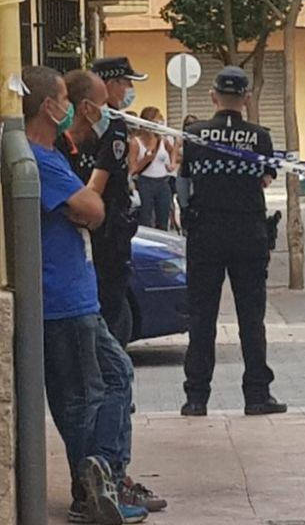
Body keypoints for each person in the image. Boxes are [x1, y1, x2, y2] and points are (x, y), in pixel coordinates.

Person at [23, 66, 149, 525]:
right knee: (81, 399)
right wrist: (92, 193)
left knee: (115, 375)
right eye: (65, 98)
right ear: (50, 106)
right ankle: (90, 489)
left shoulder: (52, 152)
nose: (73, 109)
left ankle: (107, 475)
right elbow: (91, 208)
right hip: (61, 301)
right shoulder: (35, 158)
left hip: (80, 297)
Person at [61, 69, 167, 515]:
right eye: (105, 101)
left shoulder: (84, 144)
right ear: (87, 107)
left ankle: (104, 481)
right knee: (103, 382)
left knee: (107, 379)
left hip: (97, 277)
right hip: (87, 283)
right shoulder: (66, 150)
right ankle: (99, 485)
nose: (112, 108)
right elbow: (90, 205)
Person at [180, 66, 287, 416]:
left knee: (201, 317)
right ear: (247, 98)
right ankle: (257, 394)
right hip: (248, 234)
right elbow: (266, 180)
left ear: (212, 96)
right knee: (251, 317)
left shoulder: (194, 134)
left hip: (205, 233)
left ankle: (196, 398)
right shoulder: (260, 138)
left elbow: (184, 183)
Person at [84, 56, 146, 348]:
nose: (129, 89)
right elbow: (97, 184)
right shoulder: (114, 126)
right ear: (110, 84)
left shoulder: (85, 122)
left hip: (97, 228)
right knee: (110, 306)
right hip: (108, 230)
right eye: (125, 83)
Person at [128, 106, 176, 230]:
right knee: (146, 218)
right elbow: (132, 169)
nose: (159, 123)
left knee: (163, 218)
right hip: (145, 183)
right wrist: (145, 159)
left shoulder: (162, 139)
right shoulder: (136, 142)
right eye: (156, 120)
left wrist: (172, 164)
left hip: (163, 182)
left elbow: (173, 151)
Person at [175, 114, 198, 234]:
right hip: (183, 173)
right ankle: (184, 230)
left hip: (195, 174)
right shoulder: (180, 139)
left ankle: (194, 229)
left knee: (194, 203)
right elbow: (175, 157)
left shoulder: (199, 140)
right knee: (183, 204)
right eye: (188, 124)